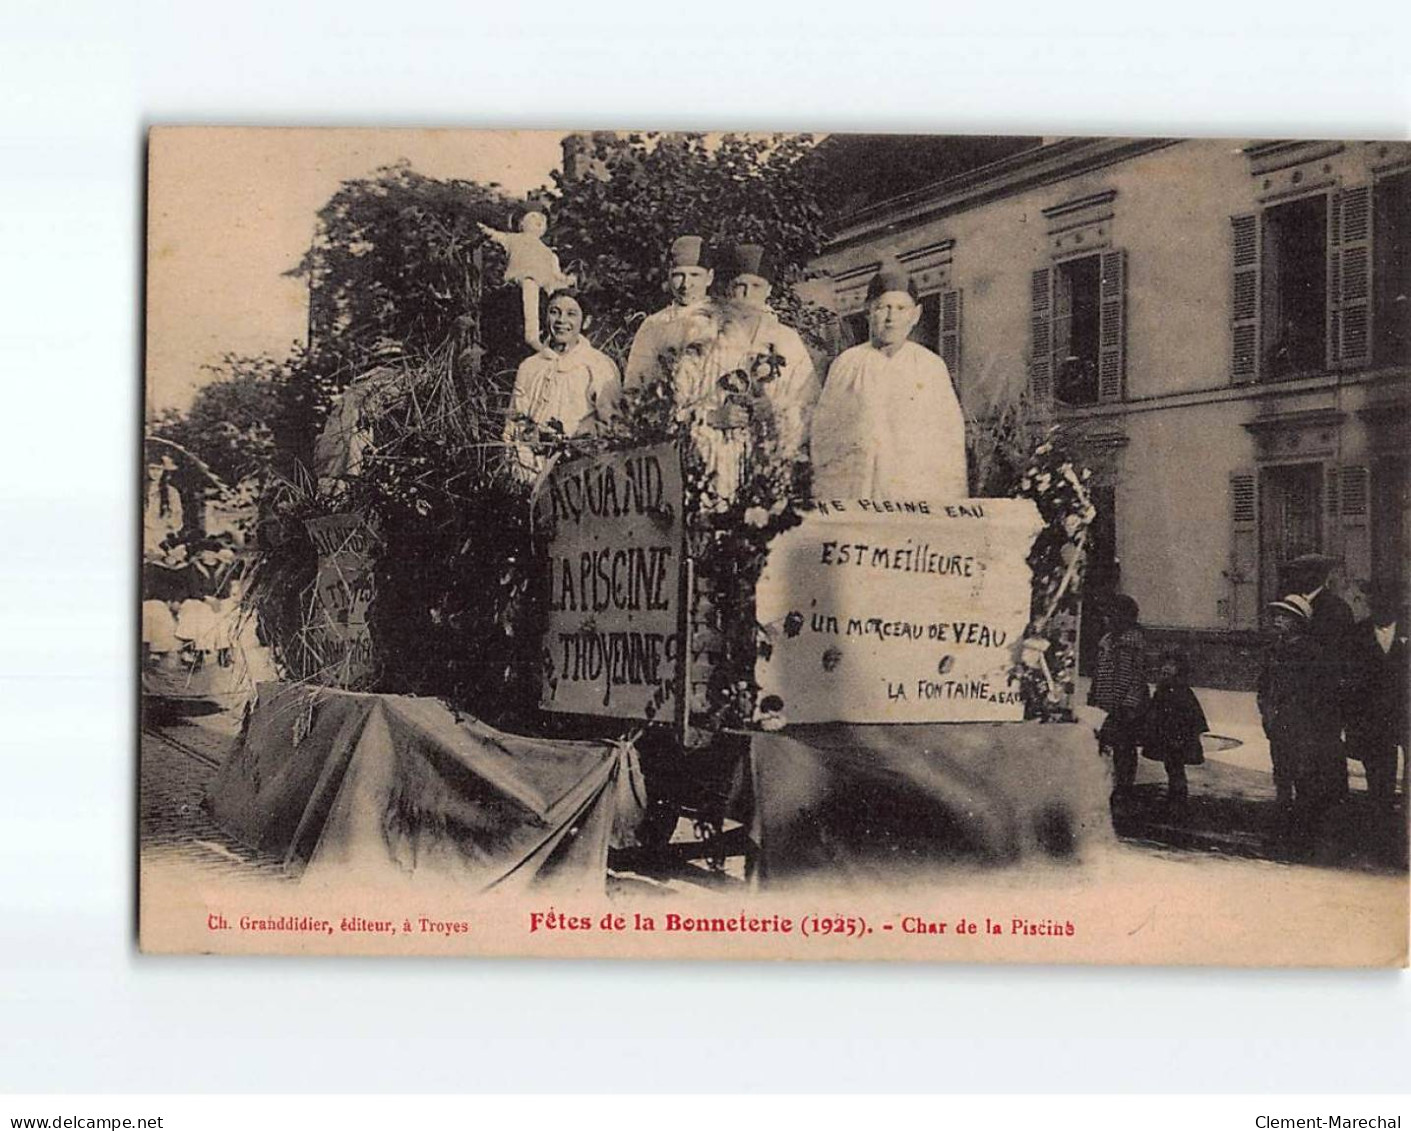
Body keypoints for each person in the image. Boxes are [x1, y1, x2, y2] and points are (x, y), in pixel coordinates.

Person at [809, 264, 967, 501]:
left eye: (901, 308)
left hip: (914, 488)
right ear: (868, 311)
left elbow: (949, 438)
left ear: (915, 315)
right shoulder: (848, 364)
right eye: (883, 308)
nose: (892, 318)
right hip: (857, 486)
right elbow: (825, 432)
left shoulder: (930, 367)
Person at [715, 243, 821, 460]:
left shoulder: (786, 339)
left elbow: (811, 403)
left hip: (774, 455)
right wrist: (717, 416)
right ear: (729, 289)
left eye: (756, 286)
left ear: (768, 290)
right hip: (721, 454)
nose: (747, 294)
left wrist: (775, 410)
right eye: (740, 285)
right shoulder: (712, 338)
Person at [502, 288, 621, 482]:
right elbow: (513, 423)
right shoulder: (530, 366)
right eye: (554, 312)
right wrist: (516, 469)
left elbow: (612, 426)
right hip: (529, 471)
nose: (561, 321)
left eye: (571, 314)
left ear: (586, 322)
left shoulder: (598, 365)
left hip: (580, 473)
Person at [1257, 594, 1336, 851]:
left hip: (1303, 723)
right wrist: (1266, 711)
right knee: (1281, 775)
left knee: (1303, 776)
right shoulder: (1272, 650)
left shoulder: (1312, 653)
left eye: (1285, 616)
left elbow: (1320, 692)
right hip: (1278, 723)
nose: (1278, 619)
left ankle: (1303, 832)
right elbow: (1264, 685)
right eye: (1276, 615)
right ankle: (1282, 827)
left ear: (1299, 622)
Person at [478, 206, 576, 356]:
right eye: (533, 217)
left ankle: (550, 341)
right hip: (526, 279)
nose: (538, 221)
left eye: (542, 221)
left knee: (552, 304)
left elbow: (556, 275)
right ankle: (532, 337)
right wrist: (484, 229)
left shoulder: (549, 252)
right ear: (521, 224)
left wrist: (566, 280)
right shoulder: (514, 239)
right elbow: (496, 236)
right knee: (530, 302)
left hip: (543, 285)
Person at [1345, 585, 1408, 812]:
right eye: (1375, 604)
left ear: (1396, 606)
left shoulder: (1407, 631)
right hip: (1373, 717)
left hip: (1405, 714)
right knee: (1378, 770)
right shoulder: (1357, 633)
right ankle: (1381, 817)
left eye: (1386, 603)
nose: (1380, 609)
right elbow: (1350, 679)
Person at [623, 235, 714, 389]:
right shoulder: (654, 324)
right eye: (679, 275)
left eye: (695, 275)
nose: (686, 285)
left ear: (709, 278)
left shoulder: (724, 320)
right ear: (669, 277)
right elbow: (635, 382)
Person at [1088, 594, 1149, 807]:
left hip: (1125, 705)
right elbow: (1099, 673)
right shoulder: (1106, 641)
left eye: (1111, 614)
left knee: (1124, 748)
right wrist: (1093, 696)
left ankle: (1125, 788)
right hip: (1105, 702)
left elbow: (1138, 676)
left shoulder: (1134, 642)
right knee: (1105, 744)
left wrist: (1131, 703)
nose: (1106, 619)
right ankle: (1108, 786)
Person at [1140, 648, 1209, 810]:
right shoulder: (1164, 688)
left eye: (1172, 665)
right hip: (1168, 735)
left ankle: (1178, 798)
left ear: (1179, 669)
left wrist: (1183, 734)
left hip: (1177, 736)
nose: (1166, 668)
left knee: (1175, 767)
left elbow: (1190, 715)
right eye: (1165, 664)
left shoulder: (1180, 690)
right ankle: (1176, 796)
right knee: (1172, 766)